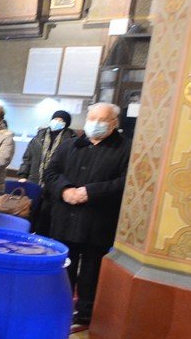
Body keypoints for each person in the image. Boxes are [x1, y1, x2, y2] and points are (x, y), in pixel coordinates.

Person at [43, 103, 130, 327]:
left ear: (113, 123)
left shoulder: (125, 149)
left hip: (97, 220)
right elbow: (51, 172)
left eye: (102, 120)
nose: (95, 124)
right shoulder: (70, 145)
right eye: (92, 118)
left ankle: (86, 311)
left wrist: (90, 192)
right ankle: (60, 305)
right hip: (66, 216)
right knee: (65, 266)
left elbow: (125, 182)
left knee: (92, 269)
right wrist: (65, 190)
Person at [19, 109, 76, 232]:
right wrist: (23, 174)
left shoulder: (71, 139)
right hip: (34, 180)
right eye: (55, 119)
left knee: (46, 217)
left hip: (54, 185)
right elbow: (27, 157)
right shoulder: (39, 137)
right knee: (29, 212)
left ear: (66, 123)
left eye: (61, 120)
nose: (57, 122)